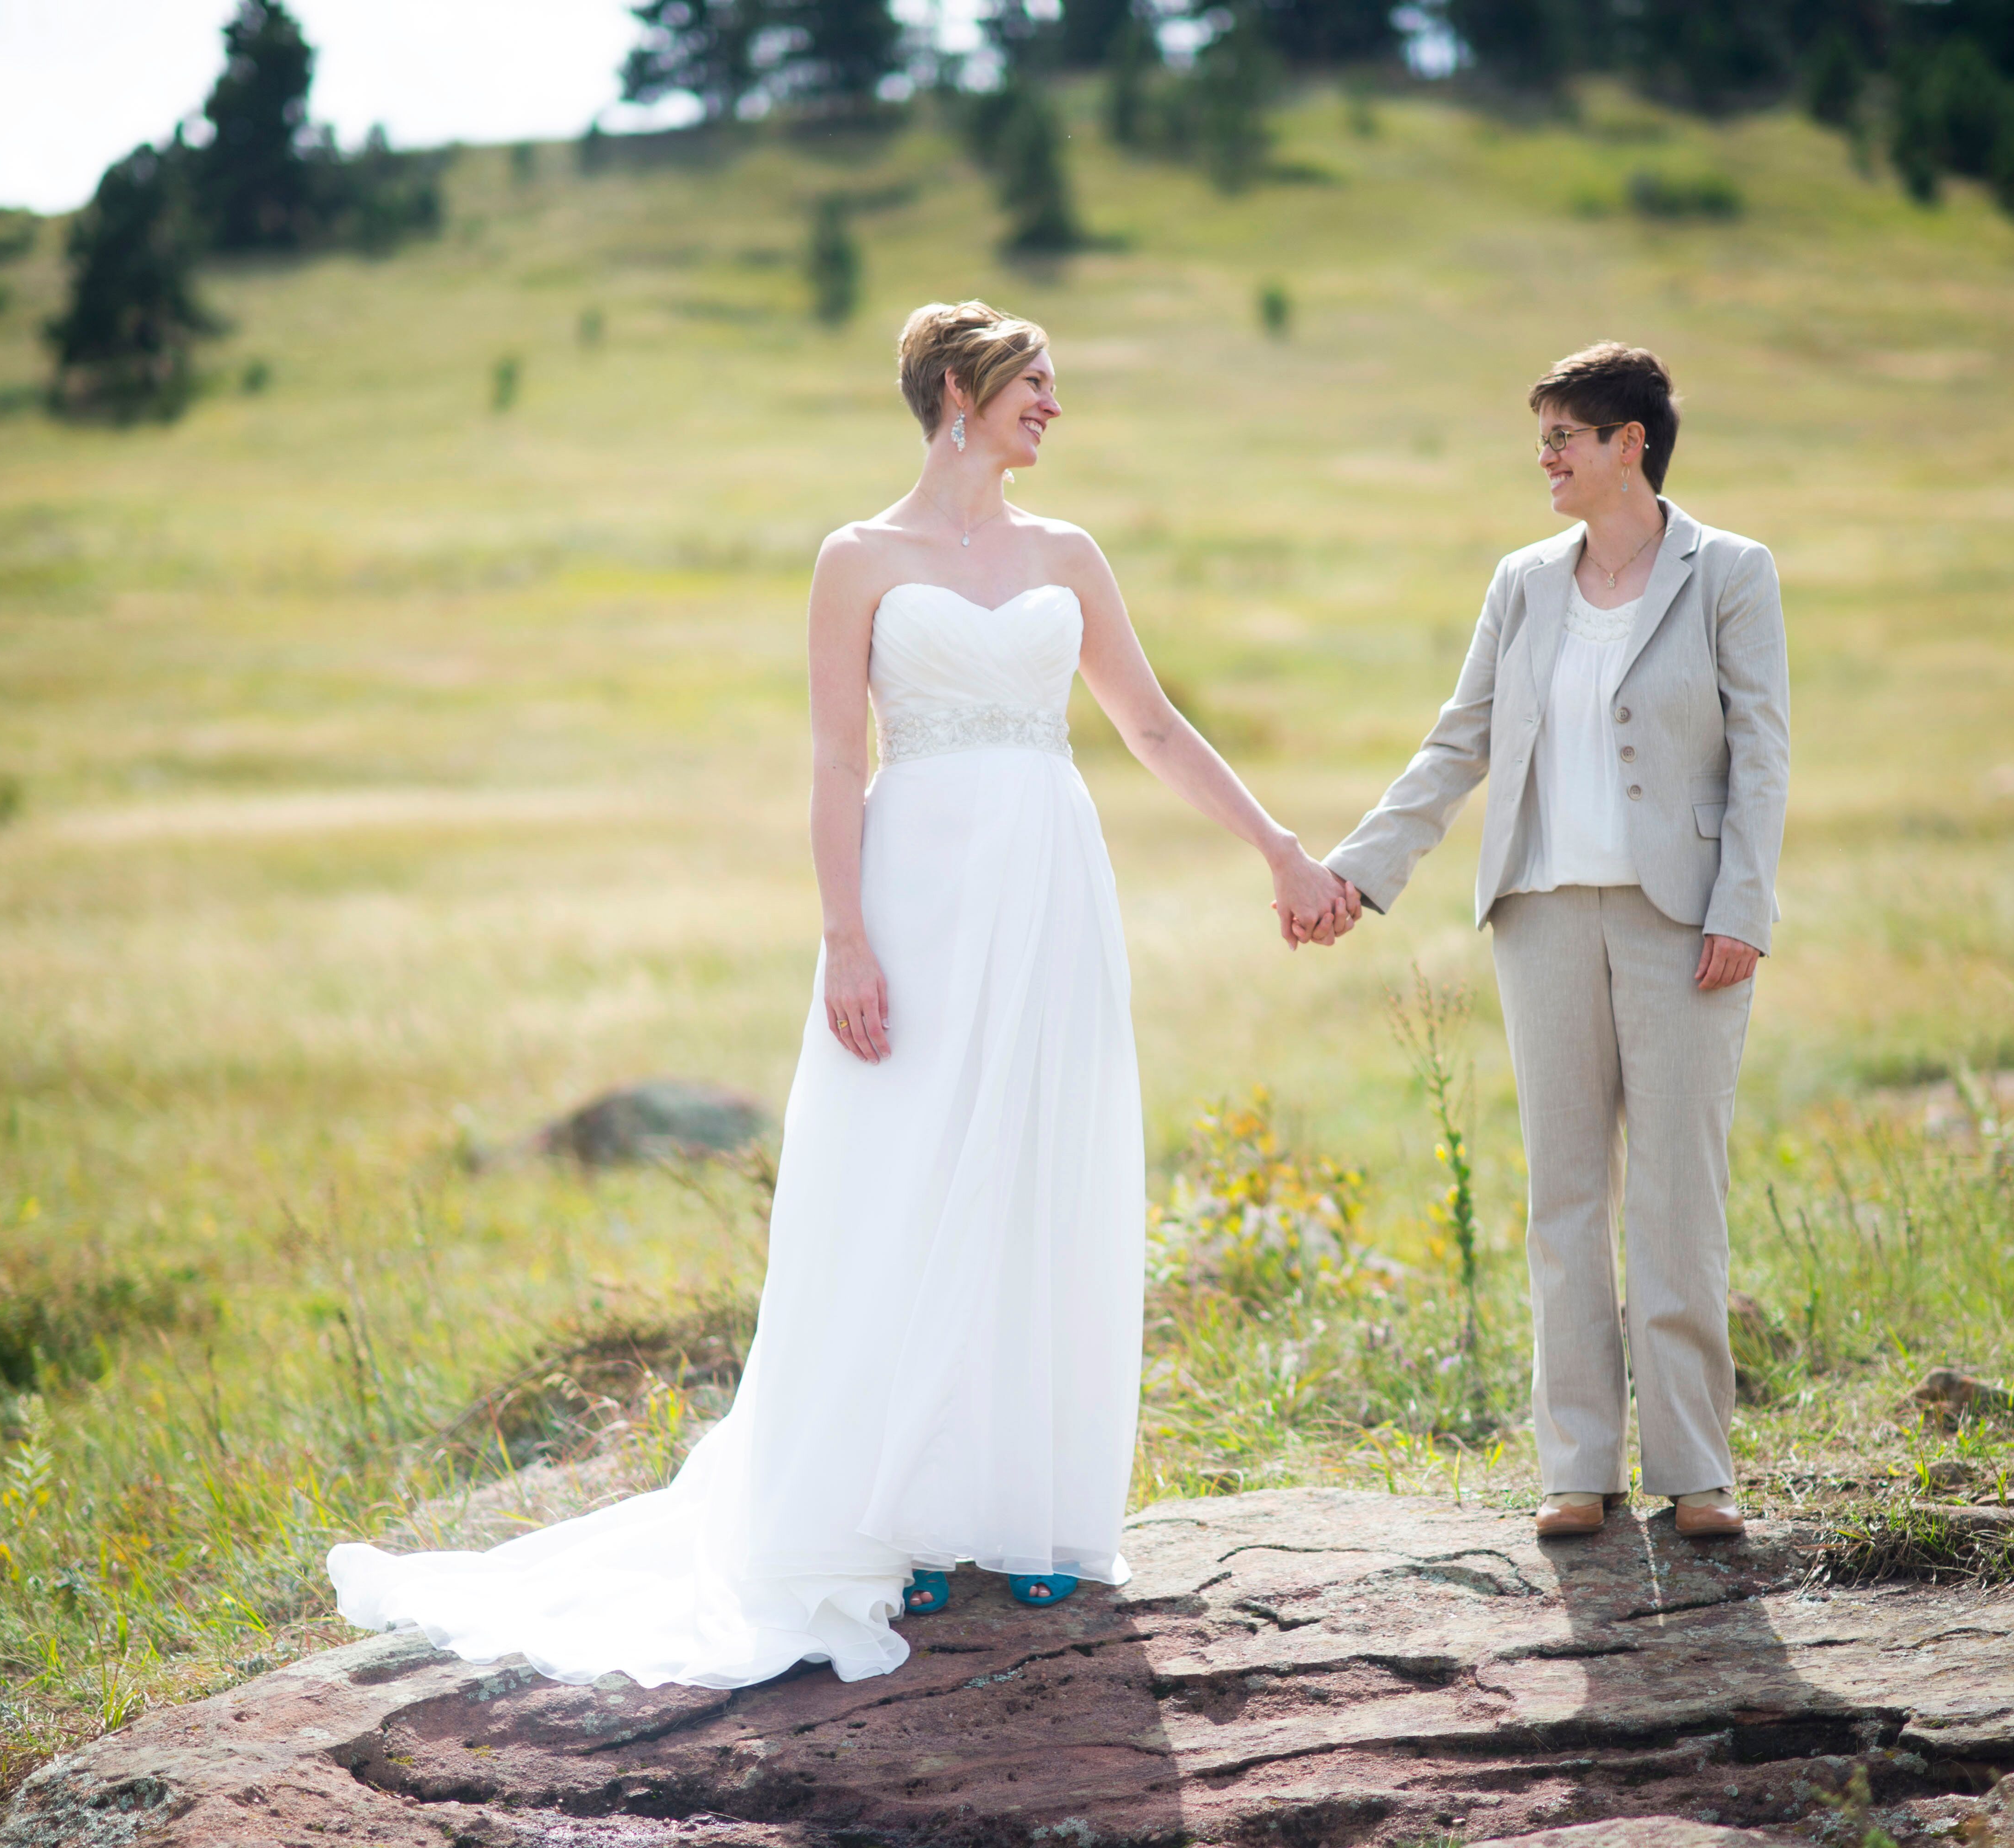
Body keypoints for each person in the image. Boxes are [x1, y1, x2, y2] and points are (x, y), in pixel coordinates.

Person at [327, 301, 1359, 1690]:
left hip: (1051, 891)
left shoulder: (1070, 554)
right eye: (1033, 388)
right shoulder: (857, 559)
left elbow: (1153, 726)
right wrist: (845, 938)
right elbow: (831, 761)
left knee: (1036, 1170)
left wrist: (1282, 851)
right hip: (915, 893)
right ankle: (911, 1517)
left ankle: (1031, 1509)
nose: (1054, 409)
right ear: (957, 391)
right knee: (905, 1178)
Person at [1322, 342, 1789, 1542]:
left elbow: (1762, 755)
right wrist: (1355, 874)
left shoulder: (1732, 572)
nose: (1545, 460)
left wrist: (1743, 907)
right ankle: (1576, 1467)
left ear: (1630, 441)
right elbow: (1456, 744)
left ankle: (1698, 1473)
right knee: (1565, 1196)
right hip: (1539, 916)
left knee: (1679, 1197)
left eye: (1562, 438)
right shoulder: (1522, 583)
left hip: (1682, 924)